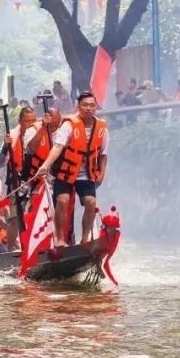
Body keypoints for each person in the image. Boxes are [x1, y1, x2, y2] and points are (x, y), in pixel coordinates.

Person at [35, 92, 109, 248]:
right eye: (85, 105)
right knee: (63, 201)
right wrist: (45, 165)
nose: (88, 108)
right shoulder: (69, 124)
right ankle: (60, 238)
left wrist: (102, 173)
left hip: (86, 173)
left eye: (92, 105)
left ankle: (85, 238)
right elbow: (57, 147)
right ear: (78, 107)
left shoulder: (102, 128)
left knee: (91, 202)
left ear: (96, 107)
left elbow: (103, 154)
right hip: (66, 172)